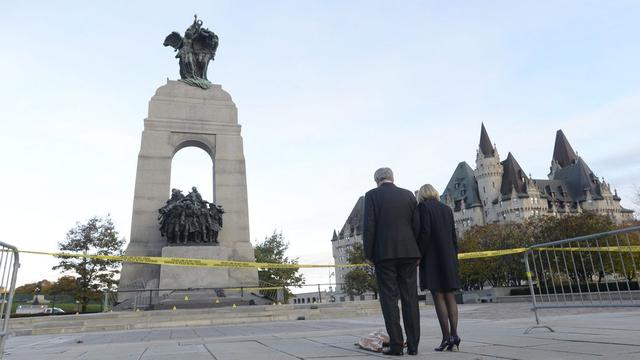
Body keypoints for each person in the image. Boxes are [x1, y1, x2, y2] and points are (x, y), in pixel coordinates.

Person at [363, 167, 421, 356]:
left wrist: (369, 254)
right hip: (409, 252)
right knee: (410, 299)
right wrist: (418, 251)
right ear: (392, 178)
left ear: (376, 180)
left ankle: (397, 345)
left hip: (384, 253)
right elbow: (417, 225)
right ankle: (413, 346)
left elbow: (369, 225)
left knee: (389, 300)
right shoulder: (408, 196)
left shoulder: (372, 196)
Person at [416, 184, 461, 351]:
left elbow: (425, 232)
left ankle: (446, 337)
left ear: (421, 195)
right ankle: (455, 335)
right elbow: (453, 236)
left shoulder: (423, 207)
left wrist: (419, 254)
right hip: (448, 256)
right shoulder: (446, 209)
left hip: (432, 257)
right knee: (450, 295)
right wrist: (454, 257)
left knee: (438, 296)